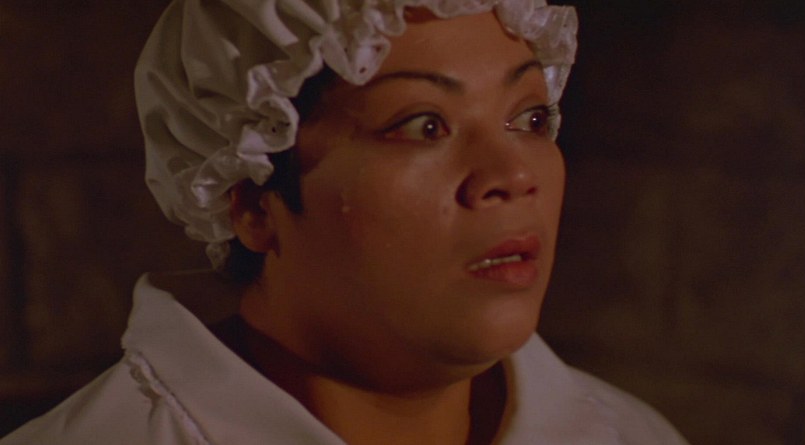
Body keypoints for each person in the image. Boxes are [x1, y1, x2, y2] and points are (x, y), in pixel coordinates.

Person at [2, 1, 689, 444]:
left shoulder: (633, 434)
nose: (512, 174)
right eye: (422, 125)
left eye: (530, 118)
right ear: (252, 202)